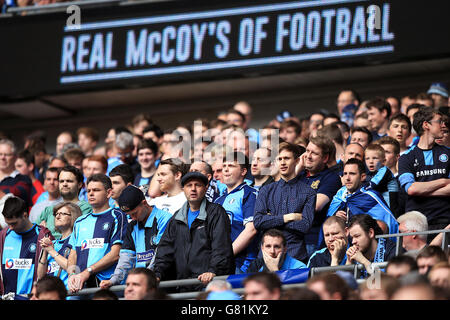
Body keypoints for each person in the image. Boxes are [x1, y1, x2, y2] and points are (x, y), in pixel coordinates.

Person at [152, 172, 235, 291]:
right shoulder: (177, 217)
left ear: (206, 188)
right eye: (189, 185)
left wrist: (213, 271)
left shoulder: (216, 212)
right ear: (183, 189)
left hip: (208, 284)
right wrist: (158, 273)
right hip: (181, 285)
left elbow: (221, 246)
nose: (193, 189)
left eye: (198, 185)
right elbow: (165, 250)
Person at [99, 185, 172, 289]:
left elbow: (162, 254)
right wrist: (113, 280)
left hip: (161, 284)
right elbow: (126, 258)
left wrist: (147, 279)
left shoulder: (164, 219)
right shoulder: (132, 225)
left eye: (135, 213)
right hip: (142, 284)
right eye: (129, 215)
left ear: (144, 203)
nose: (132, 218)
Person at [254, 142, 315, 264]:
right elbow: (258, 221)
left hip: (295, 255)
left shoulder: (308, 192)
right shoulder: (265, 190)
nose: (282, 162)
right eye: (279, 159)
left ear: (297, 161)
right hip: (266, 257)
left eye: (286, 158)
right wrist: (288, 217)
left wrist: (272, 220)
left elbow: (305, 225)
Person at [67, 174, 128, 293]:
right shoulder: (80, 221)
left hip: (104, 284)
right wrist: (72, 274)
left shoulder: (117, 216)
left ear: (109, 193)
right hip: (80, 283)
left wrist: (87, 271)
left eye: (96, 190)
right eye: (88, 190)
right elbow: (73, 253)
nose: (90, 193)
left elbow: (116, 254)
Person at [398, 107, 450, 238]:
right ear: (426, 125)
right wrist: (443, 181)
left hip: (444, 219)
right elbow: (411, 189)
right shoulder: (406, 157)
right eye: (439, 121)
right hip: (416, 225)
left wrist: (422, 191)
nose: (443, 126)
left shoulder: (448, 153)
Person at [327, 158, 399, 236]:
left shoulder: (370, 196)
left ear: (363, 177)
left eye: (352, 174)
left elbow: (388, 223)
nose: (347, 178)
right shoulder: (340, 193)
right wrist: (336, 215)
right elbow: (328, 219)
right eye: (345, 174)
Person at [214, 152, 259, 273]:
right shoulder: (218, 200)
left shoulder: (250, 193)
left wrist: (226, 256)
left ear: (243, 171)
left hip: (240, 263)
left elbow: (251, 230)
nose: (226, 170)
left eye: (231, 166)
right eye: (224, 166)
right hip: (217, 263)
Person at [297, 136, 342, 254]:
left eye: (314, 153)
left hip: (311, 240)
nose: (308, 156)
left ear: (325, 158)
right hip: (290, 238)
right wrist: (296, 170)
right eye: (307, 151)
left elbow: (315, 206)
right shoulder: (298, 175)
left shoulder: (331, 178)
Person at [0, 196, 54, 295]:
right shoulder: (3, 236)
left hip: (32, 297)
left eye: (14, 223)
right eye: (8, 224)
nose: (10, 228)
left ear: (25, 215)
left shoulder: (43, 235)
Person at [37, 166, 92, 240]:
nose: (64, 184)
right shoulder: (49, 210)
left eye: (69, 181)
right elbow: (34, 232)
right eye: (61, 181)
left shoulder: (86, 208)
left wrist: (45, 232)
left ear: (79, 185)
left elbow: (73, 234)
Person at [37, 202, 82, 289]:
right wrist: (45, 251)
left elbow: (72, 268)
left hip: (69, 294)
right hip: (51, 294)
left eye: (63, 214)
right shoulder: (53, 243)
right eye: (56, 214)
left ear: (73, 217)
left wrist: (51, 251)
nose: (57, 216)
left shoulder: (77, 240)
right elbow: (40, 277)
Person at [364, 143, 400, 216]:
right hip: (380, 210)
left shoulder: (384, 170)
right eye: (367, 158)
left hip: (390, 212)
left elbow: (372, 186)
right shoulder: (370, 174)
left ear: (383, 161)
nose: (371, 161)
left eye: (375, 158)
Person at [0, 139, 32, 208]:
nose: (2, 157)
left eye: (6, 155)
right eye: (0, 154)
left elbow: (14, 194)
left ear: (15, 157)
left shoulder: (24, 179)